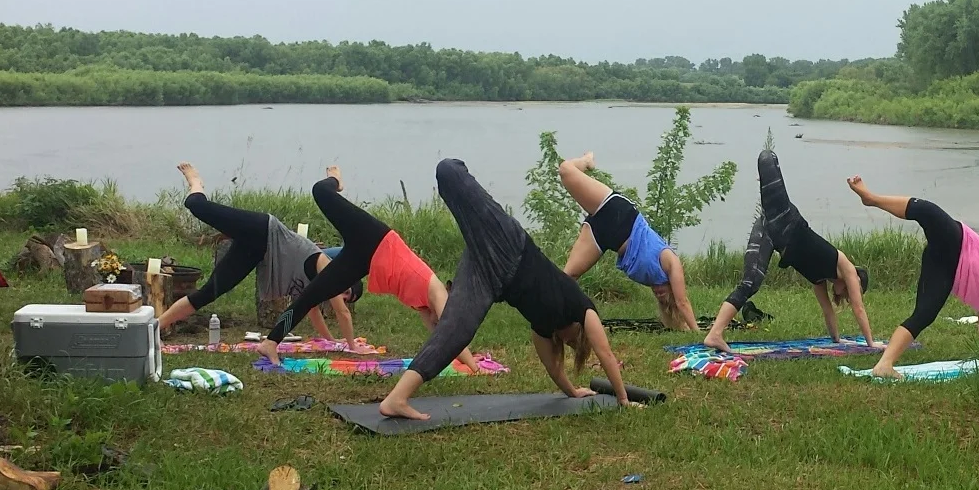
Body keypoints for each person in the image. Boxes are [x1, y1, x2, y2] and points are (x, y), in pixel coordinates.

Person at [378, 158, 634, 421]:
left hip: (490, 277)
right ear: (579, 329)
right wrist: (623, 399)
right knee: (448, 171)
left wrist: (572, 392)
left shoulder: (543, 332)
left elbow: (554, 370)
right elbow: (606, 353)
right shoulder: (583, 309)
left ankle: (396, 398)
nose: (566, 341)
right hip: (510, 244)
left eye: (568, 345)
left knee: (456, 331)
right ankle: (458, 164)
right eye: (572, 340)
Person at [257, 166, 478, 371]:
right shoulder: (438, 292)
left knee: (310, 296)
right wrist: (475, 368)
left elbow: (443, 340)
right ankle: (335, 179)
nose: (439, 319)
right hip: (375, 238)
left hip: (365, 262)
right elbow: (452, 333)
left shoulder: (424, 307)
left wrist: (462, 360)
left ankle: (270, 342)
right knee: (321, 192)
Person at [847, 175, 979, 378]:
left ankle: (884, 365)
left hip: (947, 269)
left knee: (924, 315)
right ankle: (871, 198)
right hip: (958, 242)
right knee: (927, 211)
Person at [159, 163, 360, 345]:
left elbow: (313, 312)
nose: (342, 296)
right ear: (346, 281)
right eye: (347, 292)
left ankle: (154, 326)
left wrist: (333, 342)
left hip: (258, 252)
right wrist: (352, 347)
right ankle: (196, 182)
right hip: (264, 230)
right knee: (196, 206)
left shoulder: (316, 288)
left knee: (209, 292)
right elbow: (343, 314)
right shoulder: (327, 266)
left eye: (346, 298)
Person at [557, 152, 699, 332]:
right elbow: (682, 302)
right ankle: (586, 161)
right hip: (618, 213)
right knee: (565, 170)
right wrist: (696, 333)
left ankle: (553, 316)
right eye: (667, 295)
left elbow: (676, 310)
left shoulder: (651, 279)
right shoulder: (670, 260)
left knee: (566, 278)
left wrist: (682, 327)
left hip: (604, 237)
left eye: (661, 300)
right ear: (673, 287)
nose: (660, 295)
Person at [758, 150, 875, 346]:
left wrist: (837, 340)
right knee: (768, 163)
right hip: (791, 223)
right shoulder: (847, 268)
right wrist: (871, 344)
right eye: (847, 292)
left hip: (778, 238)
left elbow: (827, 311)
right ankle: (769, 153)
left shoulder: (820, 280)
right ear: (854, 280)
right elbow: (859, 308)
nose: (844, 295)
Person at [702, 210, 774, 353]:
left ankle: (833, 332)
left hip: (787, 227)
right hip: (770, 224)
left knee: (821, 273)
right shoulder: (768, 219)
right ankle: (715, 334)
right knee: (749, 283)